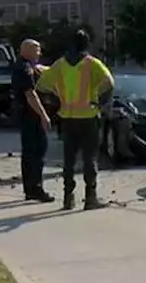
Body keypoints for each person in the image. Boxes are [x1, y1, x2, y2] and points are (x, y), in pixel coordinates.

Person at [36, 29, 115, 211]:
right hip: (88, 116)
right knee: (90, 159)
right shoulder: (92, 64)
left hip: (67, 119)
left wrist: (57, 102)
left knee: (69, 160)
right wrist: (100, 103)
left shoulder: (60, 65)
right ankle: (90, 198)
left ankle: (68, 198)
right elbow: (109, 83)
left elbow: (42, 86)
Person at [12, 39, 54, 203]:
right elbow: (31, 95)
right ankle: (36, 189)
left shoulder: (24, 66)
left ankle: (30, 189)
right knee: (37, 152)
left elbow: (41, 69)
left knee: (30, 153)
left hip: (26, 115)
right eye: (37, 50)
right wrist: (44, 116)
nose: (40, 53)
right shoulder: (24, 69)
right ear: (27, 50)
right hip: (31, 116)